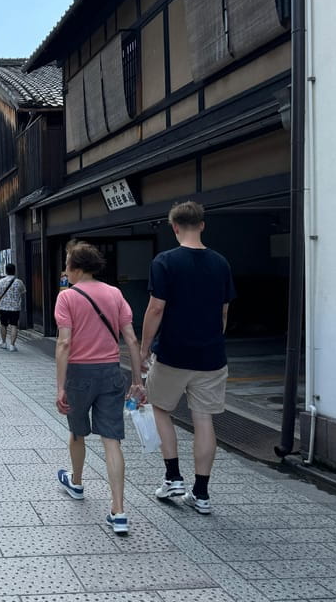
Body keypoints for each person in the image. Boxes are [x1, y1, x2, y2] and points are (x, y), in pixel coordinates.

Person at [140, 201, 236, 516]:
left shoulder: (165, 261)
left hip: (172, 353)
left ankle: (173, 477)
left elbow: (156, 308)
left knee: (160, 408)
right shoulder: (221, 263)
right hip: (211, 356)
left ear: (175, 227)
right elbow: (224, 312)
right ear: (202, 225)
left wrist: (143, 349)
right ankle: (202, 494)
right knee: (204, 419)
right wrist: (213, 339)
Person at [54, 240, 144, 535]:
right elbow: (131, 338)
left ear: (76, 267)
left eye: (67, 263)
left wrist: (60, 386)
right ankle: (119, 511)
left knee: (77, 431)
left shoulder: (67, 297)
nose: (65, 269)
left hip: (79, 374)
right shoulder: (114, 294)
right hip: (110, 372)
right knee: (111, 440)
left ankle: (77, 482)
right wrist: (137, 381)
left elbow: (64, 343)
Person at [0, 263, 26, 352]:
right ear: (14, 271)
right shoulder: (19, 282)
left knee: (3, 325)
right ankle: (12, 345)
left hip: (3, 307)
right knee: (14, 325)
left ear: (6, 271)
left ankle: (4, 343)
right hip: (15, 307)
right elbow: (23, 291)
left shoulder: (1, 281)